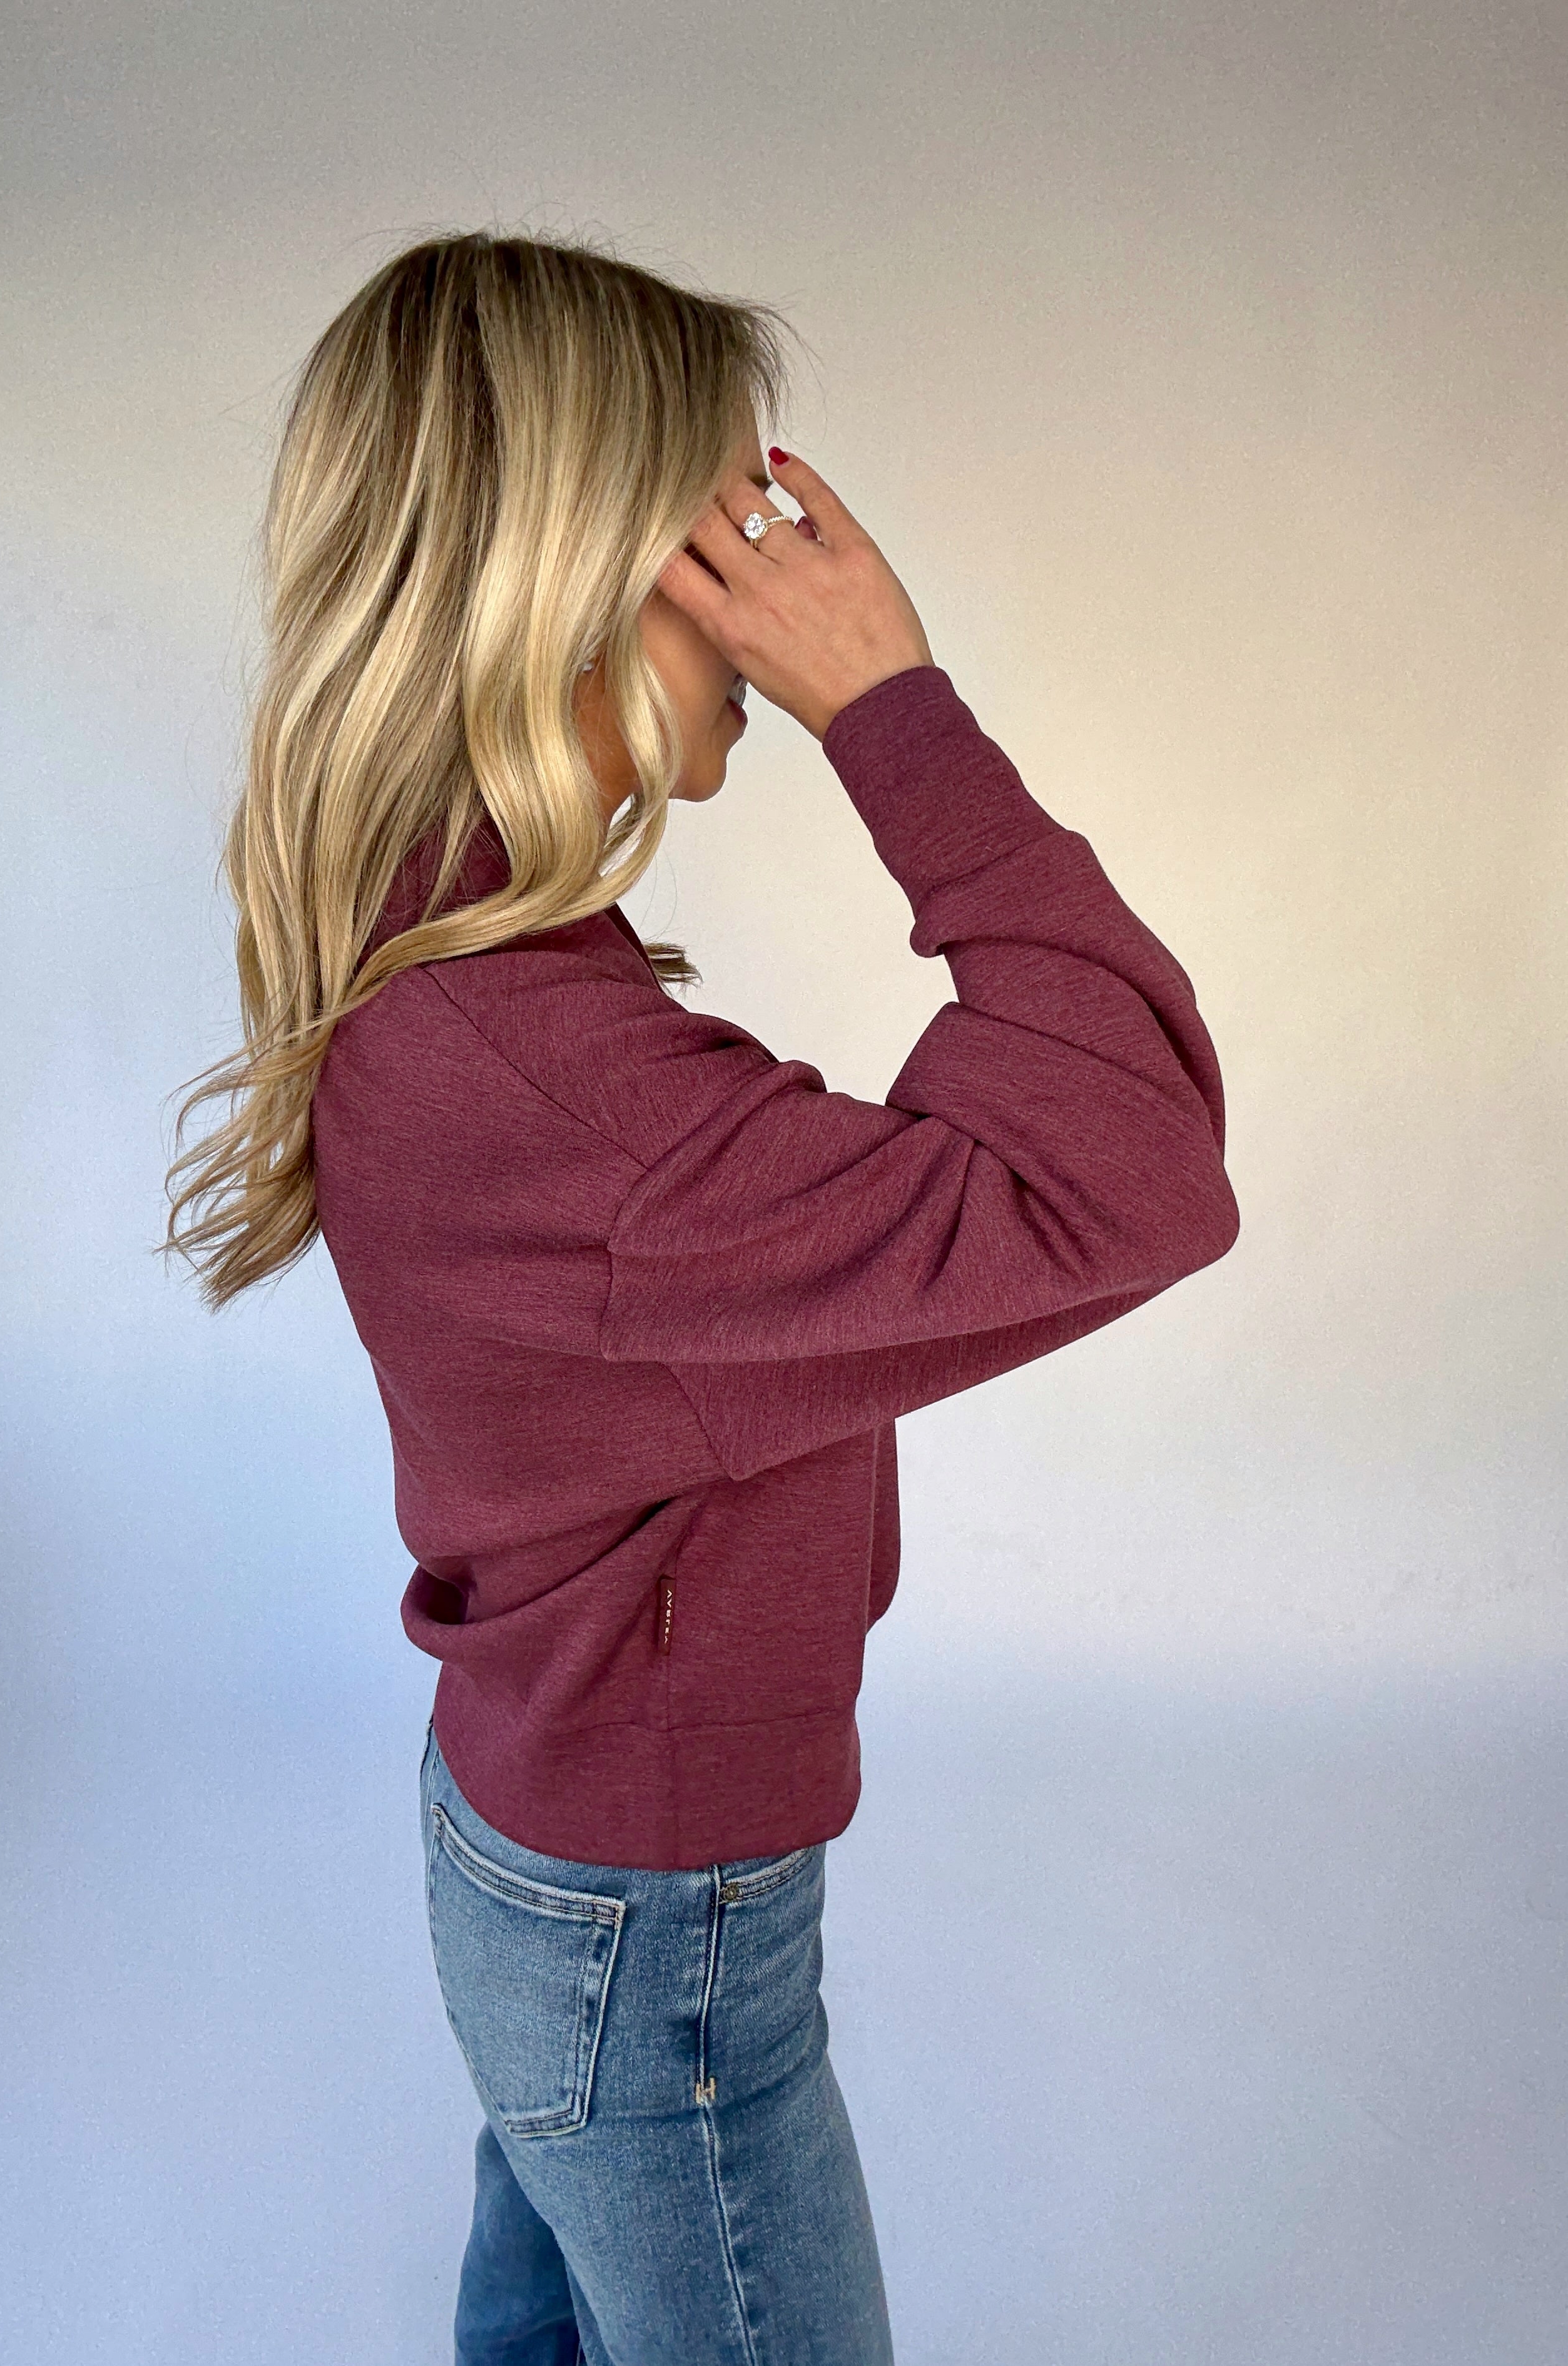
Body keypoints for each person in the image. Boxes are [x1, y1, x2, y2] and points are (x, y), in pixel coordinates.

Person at [162, 230, 1240, 2366]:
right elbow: (1123, 1171)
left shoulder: (455, 957)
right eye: (724, 530)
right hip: (647, 1924)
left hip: (562, 1850)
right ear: (566, 572)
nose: (777, 586)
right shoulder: (553, 1084)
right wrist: (894, 716)